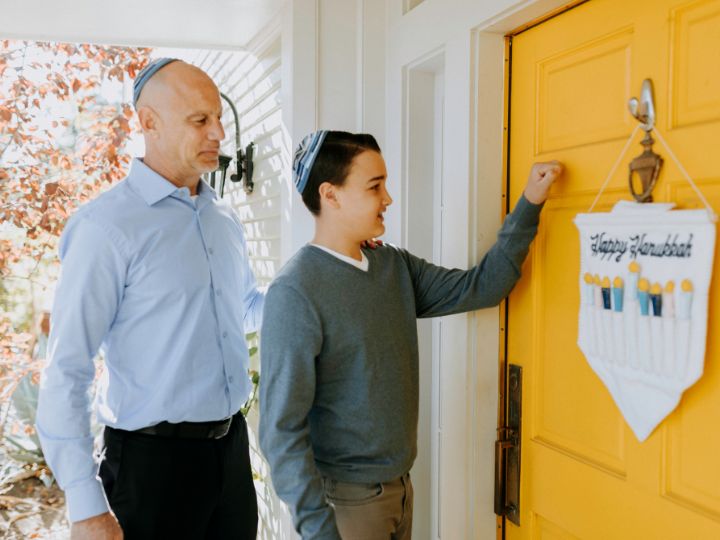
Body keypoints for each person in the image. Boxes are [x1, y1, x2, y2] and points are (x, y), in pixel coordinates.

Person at [259, 130, 563, 539]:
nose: (388, 198)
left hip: (401, 490)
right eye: (375, 186)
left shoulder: (393, 266)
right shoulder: (295, 292)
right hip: (346, 507)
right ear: (330, 195)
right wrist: (318, 529)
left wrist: (530, 203)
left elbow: (483, 286)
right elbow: (280, 431)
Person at [36, 59, 263, 539]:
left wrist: (322, 280)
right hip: (151, 468)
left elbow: (247, 307)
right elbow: (66, 370)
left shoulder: (223, 220)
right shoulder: (105, 228)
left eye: (218, 117)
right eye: (200, 120)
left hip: (231, 455)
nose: (219, 132)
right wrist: (85, 505)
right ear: (149, 123)